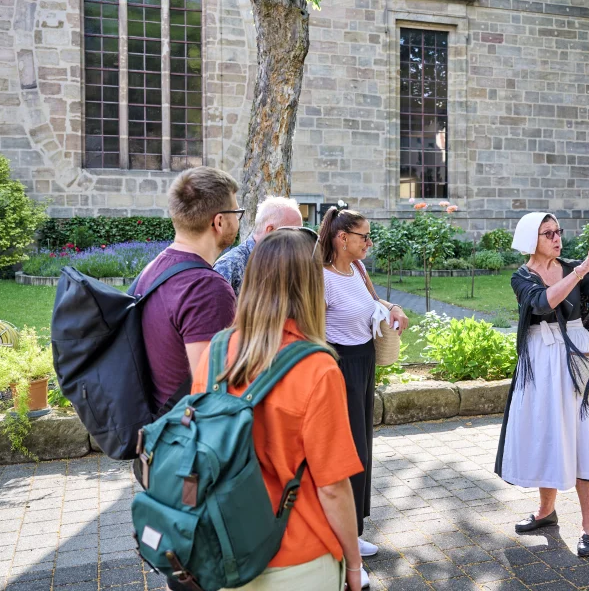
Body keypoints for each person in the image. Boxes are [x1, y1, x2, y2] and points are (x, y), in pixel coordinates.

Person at [190, 228, 364, 591]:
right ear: (311, 285)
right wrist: (353, 563)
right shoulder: (317, 368)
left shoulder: (216, 352)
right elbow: (333, 487)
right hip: (297, 557)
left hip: (223, 548)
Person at [495, 213, 589, 557]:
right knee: (547, 430)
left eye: (558, 231)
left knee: (586, 437)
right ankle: (546, 511)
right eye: (548, 233)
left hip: (579, 354)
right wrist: (580, 272)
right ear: (531, 239)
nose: (557, 238)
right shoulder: (522, 277)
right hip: (541, 357)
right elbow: (542, 302)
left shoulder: (573, 267)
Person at [318, 205, 409, 588]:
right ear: (342, 238)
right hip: (338, 368)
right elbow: (313, 330)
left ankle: (353, 530)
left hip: (364, 363)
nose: (369, 242)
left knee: (362, 450)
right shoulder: (322, 277)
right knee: (346, 453)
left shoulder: (357, 269)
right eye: (364, 236)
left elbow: (375, 302)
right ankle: (340, 546)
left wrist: (395, 307)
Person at [133, 167, 240, 410]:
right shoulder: (207, 289)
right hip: (185, 429)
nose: (237, 220)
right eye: (236, 212)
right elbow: (212, 394)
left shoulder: (155, 267)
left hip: (158, 424)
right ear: (219, 222)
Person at [214, 196, 303, 296]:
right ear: (270, 230)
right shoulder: (229, 265)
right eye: (293, 233)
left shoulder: (289, 264)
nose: (299, 240)